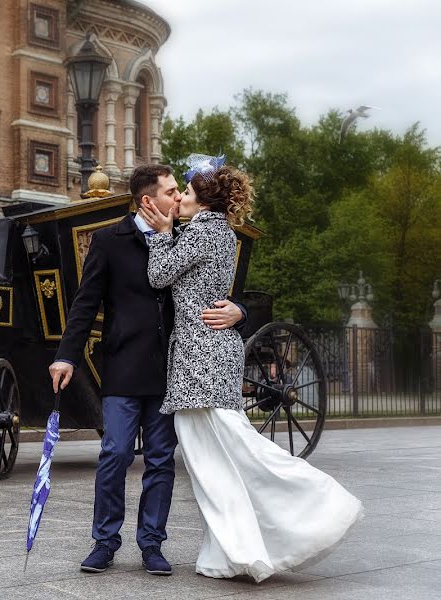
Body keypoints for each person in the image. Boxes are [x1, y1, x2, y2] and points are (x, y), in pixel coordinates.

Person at [140, 154, 363, 582]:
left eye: (186, 192)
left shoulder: (199, 232)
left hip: (199, 360)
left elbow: (158, 275)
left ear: (203, 202)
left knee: (221, 456)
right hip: (209, 356)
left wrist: (162, 234)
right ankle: (229, 551)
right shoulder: (219, 231)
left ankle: (316, 506)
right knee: (221, 456)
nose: (181, 198)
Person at [48, 164, 247, 576]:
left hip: (172, 371)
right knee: (115, 453)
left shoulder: (189, 235)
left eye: (181, 191)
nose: (179, 197)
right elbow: (85, 304)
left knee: (160, 460)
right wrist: (66, 355)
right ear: (147, 200)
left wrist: (239, 311)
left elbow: (220, 289)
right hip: (122, 365)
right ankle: (104, 541)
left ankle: (152, 544)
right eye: (172, 191)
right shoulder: (108, 241)